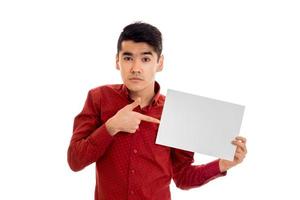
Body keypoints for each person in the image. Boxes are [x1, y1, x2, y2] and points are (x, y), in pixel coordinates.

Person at [67, 22, 247, 200]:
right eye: (128, 58)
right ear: (117, 61)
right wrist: (111, 127)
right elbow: (75, 161)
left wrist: (223, 164)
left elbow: (183, 177)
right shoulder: (98, 98)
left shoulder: (177, 112)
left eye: (145, 59)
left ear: (160, 63)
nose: (136, 68)